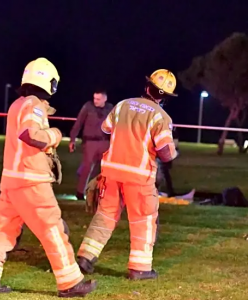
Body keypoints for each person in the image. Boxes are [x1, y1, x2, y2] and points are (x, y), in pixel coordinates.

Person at [0, 57, 97, 298]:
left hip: (12, 179)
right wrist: (54, 134)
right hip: (31, 180)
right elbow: (30, 133)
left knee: (4, 229)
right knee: (52, 228)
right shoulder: (34, 105)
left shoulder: (18, 104)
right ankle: (70, 281)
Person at [76, 69, 179, 280]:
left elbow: (106, 129)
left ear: (146, 86)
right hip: (139, 178)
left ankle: (85, 257)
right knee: (143, 219)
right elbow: (166, 153)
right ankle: (140, 268)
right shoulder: (161, 116)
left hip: (111, 173)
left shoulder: (122, 105)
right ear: (165, 97)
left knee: (105, 216)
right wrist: (173, 150)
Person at [69, 90, 114, 200]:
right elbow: (78, 123)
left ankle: (102, 192)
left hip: (105, 142)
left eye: (98, 99)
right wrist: (72, 139)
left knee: (105, 169)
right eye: (94, 98)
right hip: (90, 142)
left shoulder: (110, 108)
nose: (96, 101)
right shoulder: (88, 107)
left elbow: (116, 125)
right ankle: (80, 192)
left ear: (105, 99)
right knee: (87, 167)